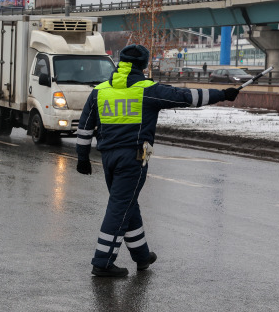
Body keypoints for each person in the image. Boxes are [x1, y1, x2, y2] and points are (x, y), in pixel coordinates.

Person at [76, 44, 239, 277]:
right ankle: (102, 262)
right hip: (133, 159)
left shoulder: (100, 91)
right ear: (143, 65)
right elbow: (186, 97)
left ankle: (142, 257)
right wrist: (222, 95)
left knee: (127, 204)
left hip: (108, 159)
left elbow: (84, 127)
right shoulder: (147, 90)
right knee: (120, 208)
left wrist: (82, 157)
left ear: (121, 63)